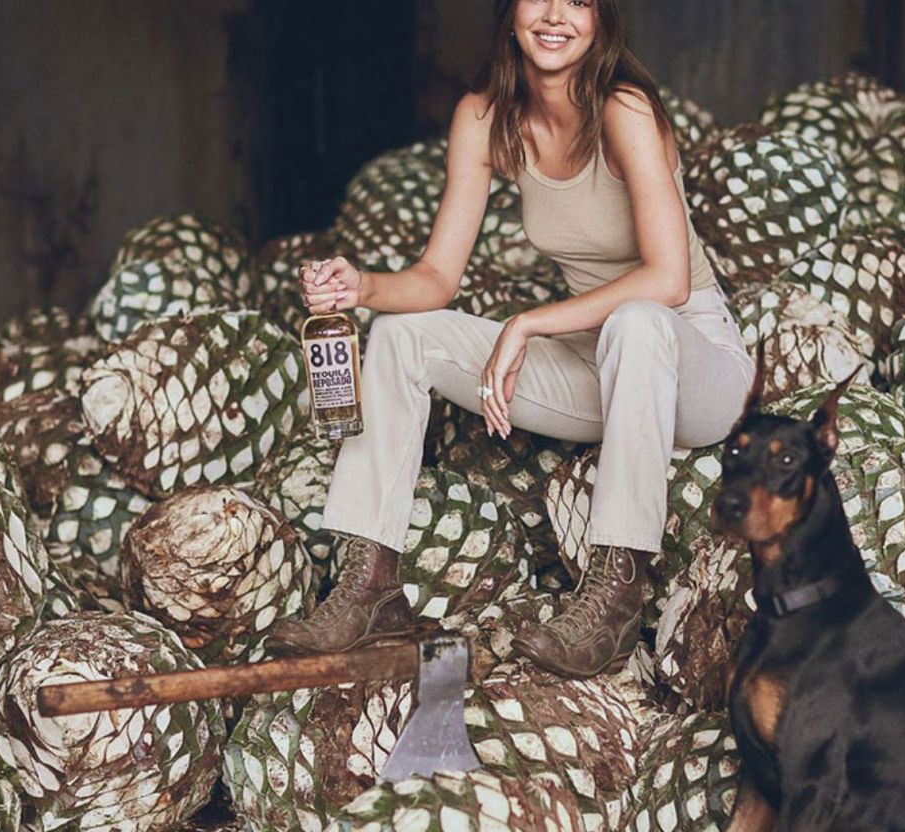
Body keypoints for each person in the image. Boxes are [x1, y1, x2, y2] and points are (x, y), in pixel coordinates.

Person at [266, 0, 755, 678]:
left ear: (601, 18)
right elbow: (437, 277)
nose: (556, 15)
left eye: (578, 0)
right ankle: (370, 584)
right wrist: (362, 286)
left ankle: (614, 601)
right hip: (597, 367)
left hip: (694, 366)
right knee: (402, 335)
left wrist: (529, 322)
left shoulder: (626, 109)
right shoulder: (484, 117)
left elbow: (668, 280)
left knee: (637, 321)